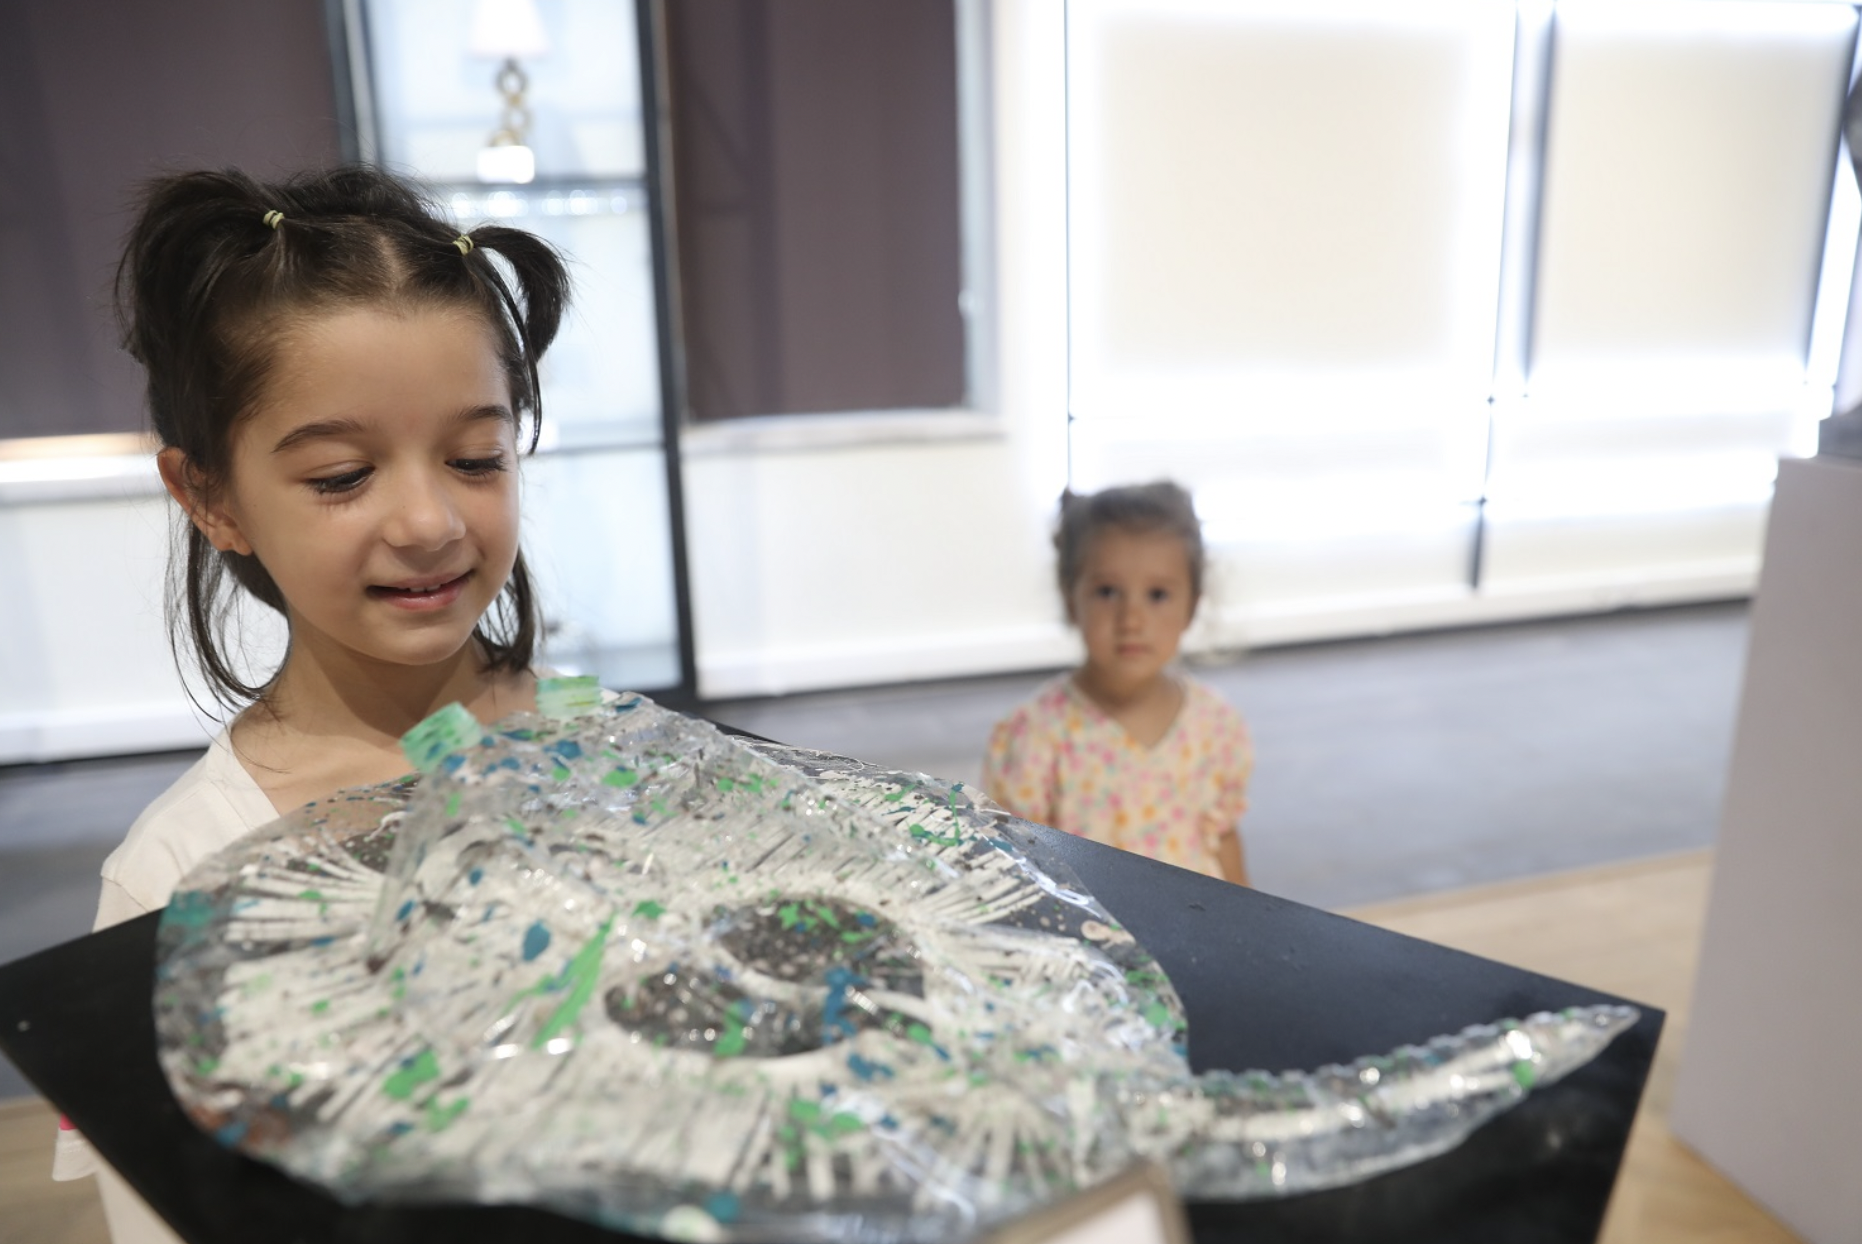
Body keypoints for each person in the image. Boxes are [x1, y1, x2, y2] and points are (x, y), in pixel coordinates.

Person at [50, 165, 570, 1244]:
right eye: (341, 476)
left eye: (474, 457)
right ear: (211, 497)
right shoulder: (178, 874)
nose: (428, 521)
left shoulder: (615, 748)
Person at [982, 483, 1253, 885]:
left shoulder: (1214, 725)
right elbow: (1017, 867)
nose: (1131, 619)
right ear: (1071, 599)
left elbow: (1223, 835)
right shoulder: (1035, 737)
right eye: (1107, 592)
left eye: (1157, 595)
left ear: (1192, 606)